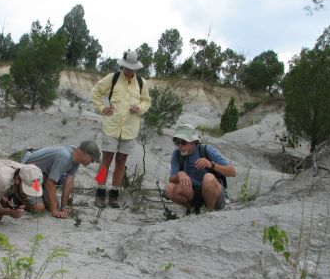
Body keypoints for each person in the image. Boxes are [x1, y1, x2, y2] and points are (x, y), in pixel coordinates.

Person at [91, 50, 152, 208]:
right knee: (106, 159)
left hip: (130, 129)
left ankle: (114, 196)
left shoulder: (141, 83)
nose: (129, 70)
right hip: (111, 125)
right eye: (126, 67)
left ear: (136, 68)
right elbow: (95, 92)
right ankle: (99, 193)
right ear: (123, 65)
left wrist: (139, 107)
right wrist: (101, 107)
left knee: (121, 161)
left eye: (132, 68)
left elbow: (147, 101)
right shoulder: (113, 78)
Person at [164, 124, 236, 213]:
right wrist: (179, 175)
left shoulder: (206, 150)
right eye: (177, 142)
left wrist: (211, 165)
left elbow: (232, 172)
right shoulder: (177, 154)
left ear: (194, 141)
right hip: (194, 193)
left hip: (215, 196)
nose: (180, 146)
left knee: (208, 178)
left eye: (183, 142)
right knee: (169, 189)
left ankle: (209, 212)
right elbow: (171, 180)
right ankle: (193, 210)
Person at [20, 140, 101, 219]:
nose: (92, 162)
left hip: (41, 179)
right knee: (39, 208)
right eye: (92, 159)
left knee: (54, 204)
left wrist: (64, 206)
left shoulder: (76, 157)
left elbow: (69, 182)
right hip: (27, 174)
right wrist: (54, 210)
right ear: (86, 154)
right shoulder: (64, 156)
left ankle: (33, 194)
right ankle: (18, 196)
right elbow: (50, 183)